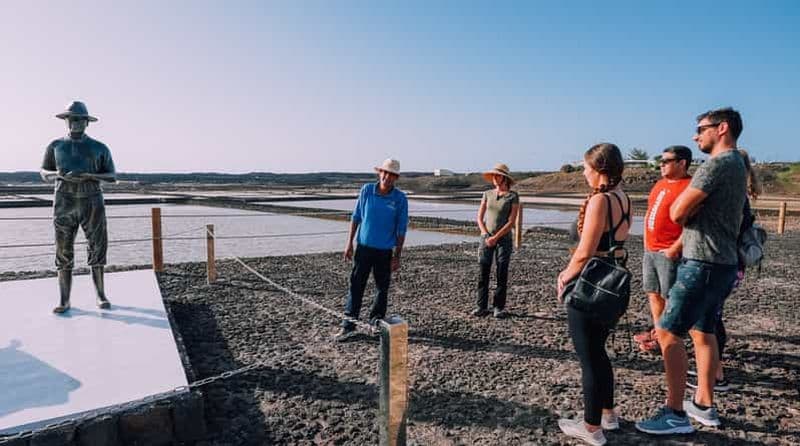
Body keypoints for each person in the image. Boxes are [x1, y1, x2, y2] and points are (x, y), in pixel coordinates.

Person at [636, 107, 747, 434]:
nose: (696, 135)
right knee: (703, 331)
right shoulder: (739, 164)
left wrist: (684, 212)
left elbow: (678, 211)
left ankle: (674, 413)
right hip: (723, 262)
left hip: (702, 261)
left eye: (701, 128)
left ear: (722, 128)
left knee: (669, 332)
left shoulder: (717, 165)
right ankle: (703, 404)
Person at [556, 143, 630, 446]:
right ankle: (608, 415)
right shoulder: (622, 197)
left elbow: (585, 250)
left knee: (589, 358)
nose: (583, 173)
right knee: (599, 353)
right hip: (613, 281)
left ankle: (591, 428)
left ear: (600, 170)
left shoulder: (600, 200)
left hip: (592, 283)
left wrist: (564, 276)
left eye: (586, 168)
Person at [687, 148, 762, 392]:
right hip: (731, 264)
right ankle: (710, 368)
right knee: (710, 317)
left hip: (724, 263)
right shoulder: (740, 195)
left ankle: (716, 374)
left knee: (710, 318)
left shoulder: (734, 198)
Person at [40, 101, 117, 314]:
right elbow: (44, 171)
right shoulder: (55, 146)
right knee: (63, 249)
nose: (76, 123)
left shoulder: (100, 147)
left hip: (92, 200)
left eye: (80, 119)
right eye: (72, 119)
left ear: (87, 122)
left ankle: (100, 295)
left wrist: (91, 176)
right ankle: (64, 300)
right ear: (66, 121)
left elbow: (112, 176)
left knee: (97, 246)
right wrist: (58, 175)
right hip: (64, 201)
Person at [334, 158, 409, 341]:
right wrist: (349, 243)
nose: (387, 177)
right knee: (356, 285)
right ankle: (348, 325)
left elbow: (401, 229)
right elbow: (356, 217)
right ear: (379, 173)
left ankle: (376, 322)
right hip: (363, 248)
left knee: (382, 288)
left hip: (384, 251)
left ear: (395, 178)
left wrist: (397, 256)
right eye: (385, 173)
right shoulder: (367, 190)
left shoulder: (400, 199)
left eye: (391, 175)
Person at [634, 146, 693, 352]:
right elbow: (650, 211)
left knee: (671, 296)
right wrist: (645, 241)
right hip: (651, 249)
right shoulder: (660, 184)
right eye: (661, 160)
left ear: (682, 163)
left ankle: (670, 336)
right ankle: (659, 332)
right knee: (653, 292)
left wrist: (675, 248)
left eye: (666, 161)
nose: (661, 164)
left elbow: (694, 224)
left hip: (670, 251)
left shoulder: (690, 186)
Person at [472, 163, 520, 318]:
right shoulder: (487, 194)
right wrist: (486, 235)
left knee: (501, 273)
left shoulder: (513, 196)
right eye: (493, 175)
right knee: (483, 272)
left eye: (497, 175)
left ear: (504, 177)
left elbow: (511, 222)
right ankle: (481, 306)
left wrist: (496, 237)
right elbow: (479, 218)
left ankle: (498, 307)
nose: (494, 178)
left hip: (503, 240)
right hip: (485, 239)